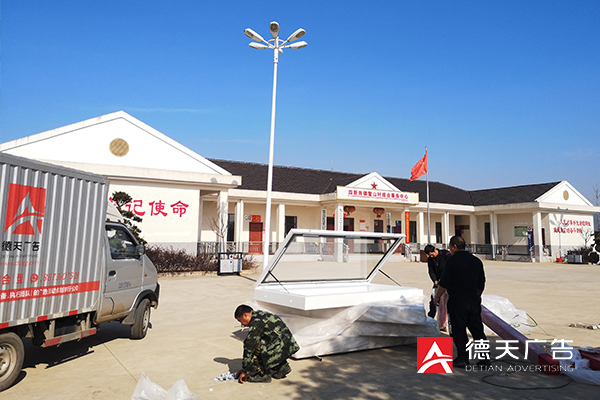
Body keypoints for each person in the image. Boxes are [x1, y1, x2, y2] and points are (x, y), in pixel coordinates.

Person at [434, 236, 488, 369]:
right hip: (473, 301)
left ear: (454, 246)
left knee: (459, 330)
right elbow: (481, 283)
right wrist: (476, 296)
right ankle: (484, 359)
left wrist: (437, 297)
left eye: (450, 247)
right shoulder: (476, 261)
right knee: (477, 330)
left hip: (457, 301)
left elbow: (444, 283)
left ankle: (463, 358)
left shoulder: (451, 261)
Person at [234, 304, 300, 383]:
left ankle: (263, 375)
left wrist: (245, 371)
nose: (242, 324)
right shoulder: (260, 315)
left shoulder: (256, 322)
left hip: (281, 346)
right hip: (288, 346)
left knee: (252, 345)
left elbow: (249, 347)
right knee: (264, 342)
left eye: (240, 321)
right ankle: (282, 367)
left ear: (245, 315)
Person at [424, 244, 451, 331]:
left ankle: (449, 322)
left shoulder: (446, 255)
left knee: (449, 302)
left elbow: (450, 269)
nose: (431, 256)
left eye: (432, 254)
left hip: (448, 282)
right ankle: (430, 318)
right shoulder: (430, 259)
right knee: (434, 300)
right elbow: (431, 271)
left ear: (435, 250)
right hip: (438, 282)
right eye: (429, 255)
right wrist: (435, 281)